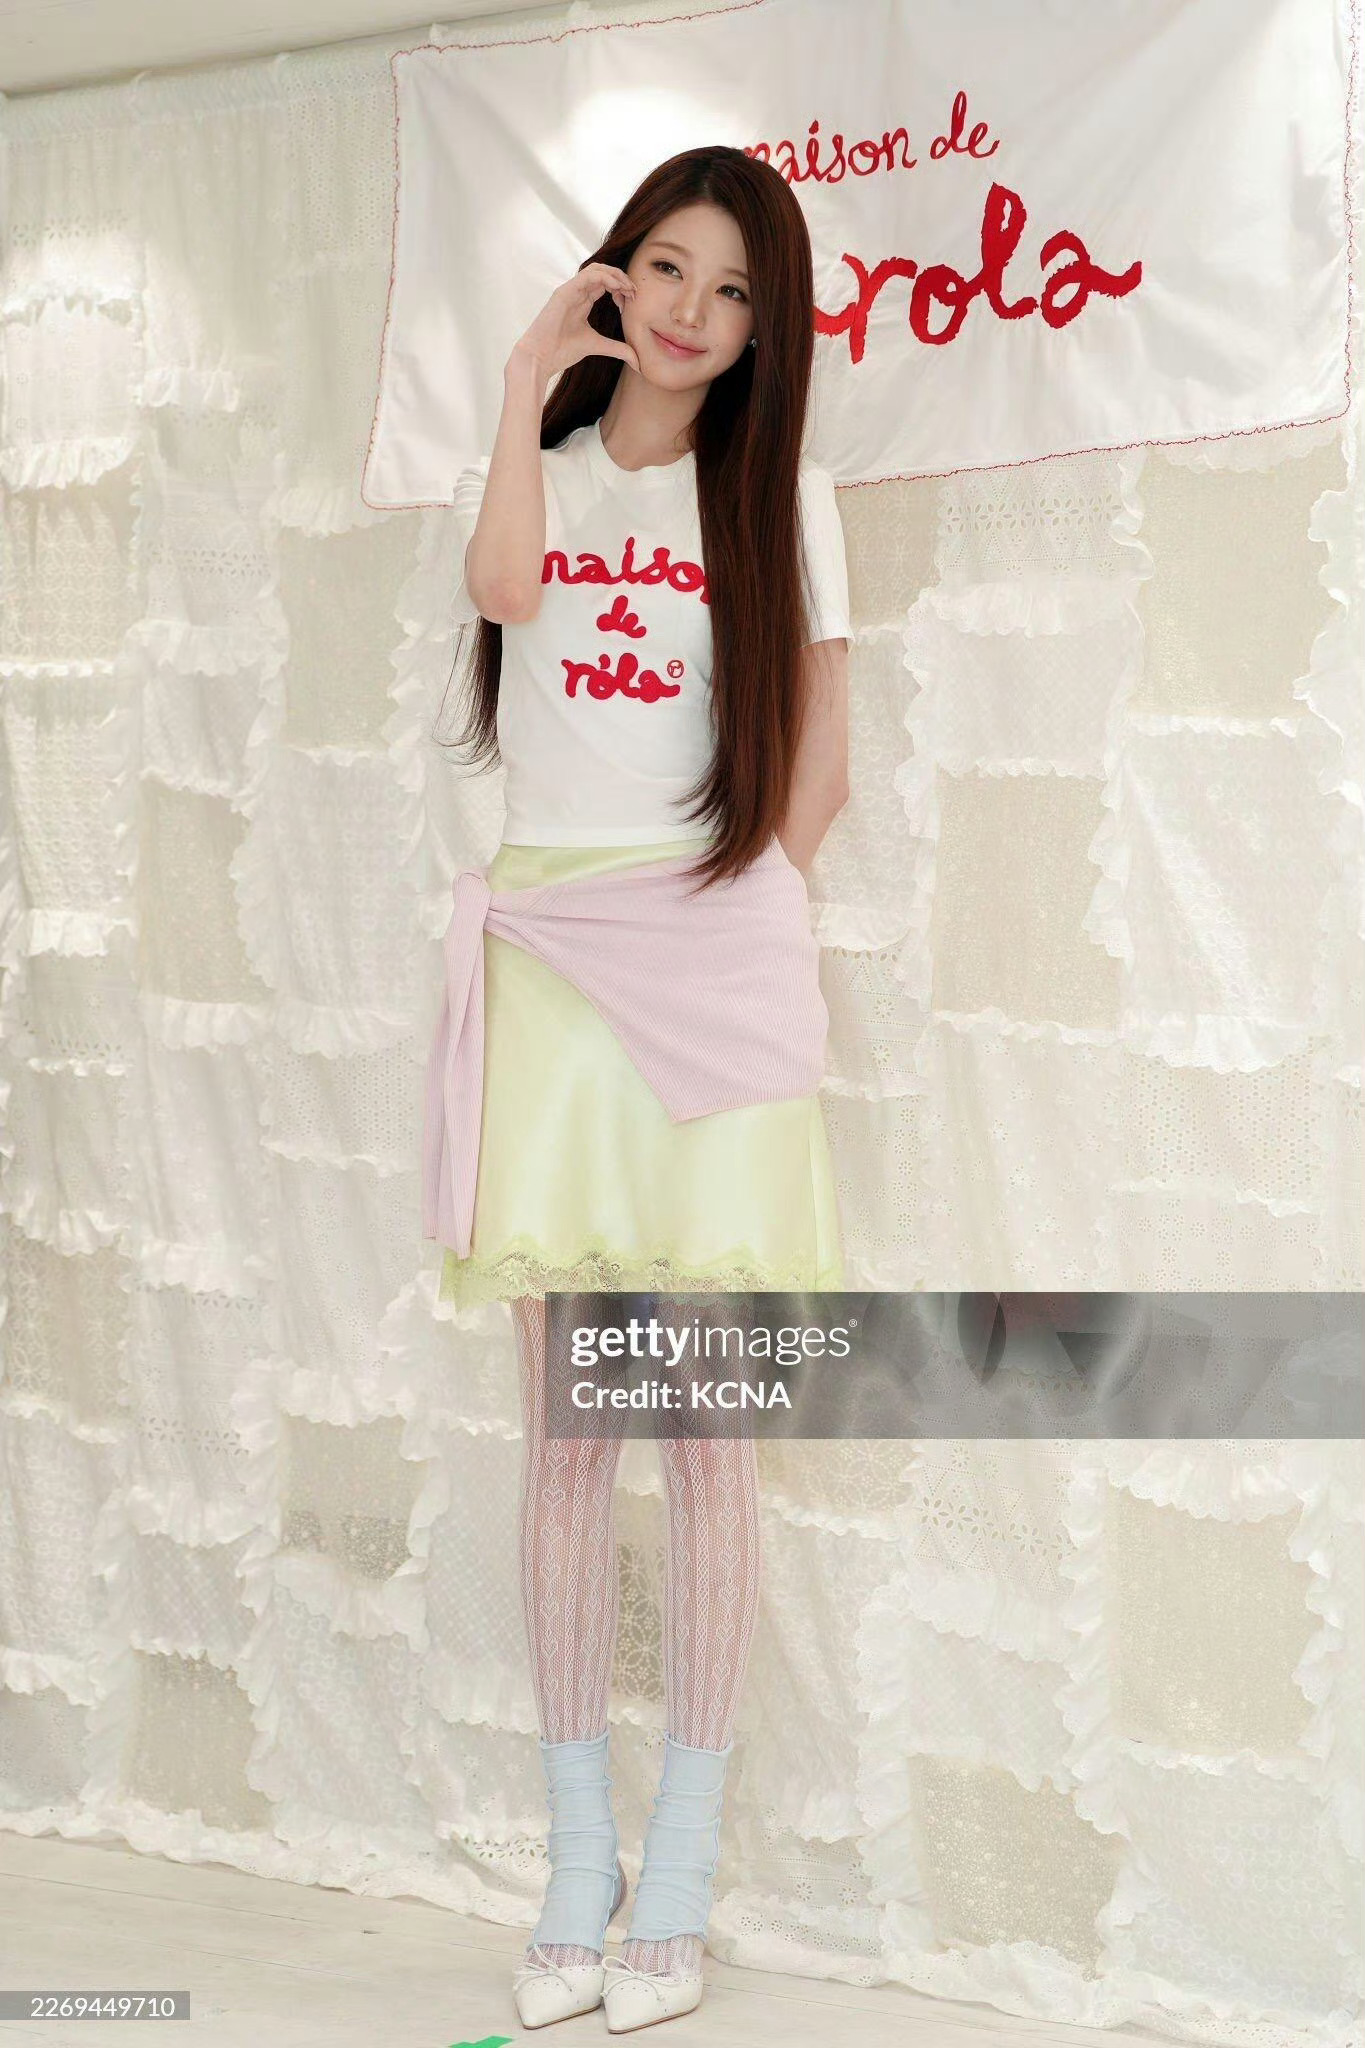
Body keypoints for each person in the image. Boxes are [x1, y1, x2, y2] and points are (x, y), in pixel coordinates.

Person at [424, 144, 852, 2032]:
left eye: (732, 289)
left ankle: (681, 1869)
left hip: (714, 959)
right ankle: (574, 1861)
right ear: (616, 278)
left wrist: (726, 925)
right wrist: (526, 382)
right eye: (666, 268)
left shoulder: (786, 502)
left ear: (767, 331)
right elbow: (500, 587)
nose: (691, 310)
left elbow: (820, 771)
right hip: (556, 968)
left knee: (706, 1440)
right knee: (570, 1439)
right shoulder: (550, 468)